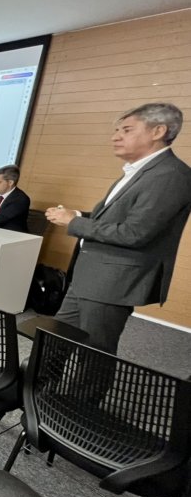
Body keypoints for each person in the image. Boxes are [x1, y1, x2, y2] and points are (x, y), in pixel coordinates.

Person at [45, 103, 191, 354]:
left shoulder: (170, 175)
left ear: (158, 131)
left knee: (93, 355)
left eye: (126, 130)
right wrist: (78, 215)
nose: (115, 137)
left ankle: (69, 385)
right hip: (90, 276)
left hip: (113, 283)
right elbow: (115, 219)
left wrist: (75, 223)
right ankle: (36, 381)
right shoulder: (137, 171)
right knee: (54, 342)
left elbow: (135, 233)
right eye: (116, 130)